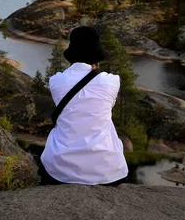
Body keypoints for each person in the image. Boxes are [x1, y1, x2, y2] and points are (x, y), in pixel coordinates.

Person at [39, 26, 128, 186]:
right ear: (97, 55)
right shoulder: (112, 81)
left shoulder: (56, 81)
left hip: (61, 169)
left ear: (72, 53)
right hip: (107, 170)